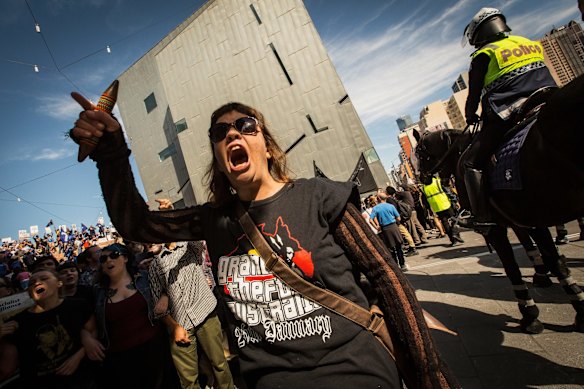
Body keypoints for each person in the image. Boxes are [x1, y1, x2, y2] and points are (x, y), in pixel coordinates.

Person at [70, 99, 458, 388]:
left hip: (352, 370)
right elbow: (137, 225)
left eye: (245, 125)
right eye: (220, 133)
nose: (232, 134)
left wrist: (431, 375)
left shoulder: (321, 196)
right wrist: (111, 150)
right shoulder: (213, 219)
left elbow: (387, 277)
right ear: (220, 159)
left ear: (268, 146)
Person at [461, 7, 557, 227]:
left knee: (469, 163)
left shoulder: (484, 54)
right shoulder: (527, 42)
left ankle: (482, 217)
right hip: (548, 96)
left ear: (478, 34)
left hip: (511, 109)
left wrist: (469, 116)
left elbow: (474, 94)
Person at [149, 199, 234, 389]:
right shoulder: (156, 264)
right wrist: (174, 326)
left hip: (205, 314)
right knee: (188, 380)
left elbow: (193, 233)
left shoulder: (190, 248)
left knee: (220, 365)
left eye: (167, 225)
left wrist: (172, 213)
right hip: (180, 326)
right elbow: (158, 307)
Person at [81, 243, 171, 389]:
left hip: (155, 349)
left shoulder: (145, 278)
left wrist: (164, 297)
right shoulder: (96, 292)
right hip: (120, 359)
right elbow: (88, 326)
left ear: (125, 258)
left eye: (114, 255)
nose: (109, 260)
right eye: (103, 259)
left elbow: (167, 289)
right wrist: (87, 339)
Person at [0, 269, 96, 388]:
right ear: (29, 292)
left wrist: (79, 355)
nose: (37, 283)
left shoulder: (78, 306)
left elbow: (93, 331)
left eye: (44, 279)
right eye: (31, 283)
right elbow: (6, 368)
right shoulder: (16, 323)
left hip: (82, 381)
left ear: (59, 283)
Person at [369, 193, 408, 271]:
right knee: (398, 247)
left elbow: (370, 220)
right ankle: (402, 264)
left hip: (385, 229)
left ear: (379, 199)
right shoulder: (391, 206)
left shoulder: (375, 208)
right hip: (393, 227)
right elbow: (398, 218)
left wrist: (376, 227)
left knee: (390, 249)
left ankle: (395, 265)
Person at [422, 176, 465, 247]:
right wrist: (455, 200)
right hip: (445, 203)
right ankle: (455, 234)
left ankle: (453, 240)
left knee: (445, 223)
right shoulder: (438, 181)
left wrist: (428, 209)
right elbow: (447, 191)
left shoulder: (424, 187)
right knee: (454, 219)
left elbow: (425, 200)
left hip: (436, 207)